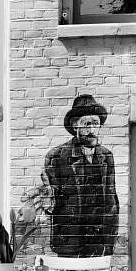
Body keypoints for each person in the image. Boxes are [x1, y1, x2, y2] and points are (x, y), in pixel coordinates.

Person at [43, 94, 119, 257]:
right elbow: (52, 200)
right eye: (86, 124)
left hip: (99, 241)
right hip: (71, 242)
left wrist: (110, 241)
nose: (92, 130)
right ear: (75, 125)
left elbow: (112, 200)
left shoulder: (106, 156)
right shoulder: (57, 156)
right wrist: (47, 198)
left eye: (96, 124)